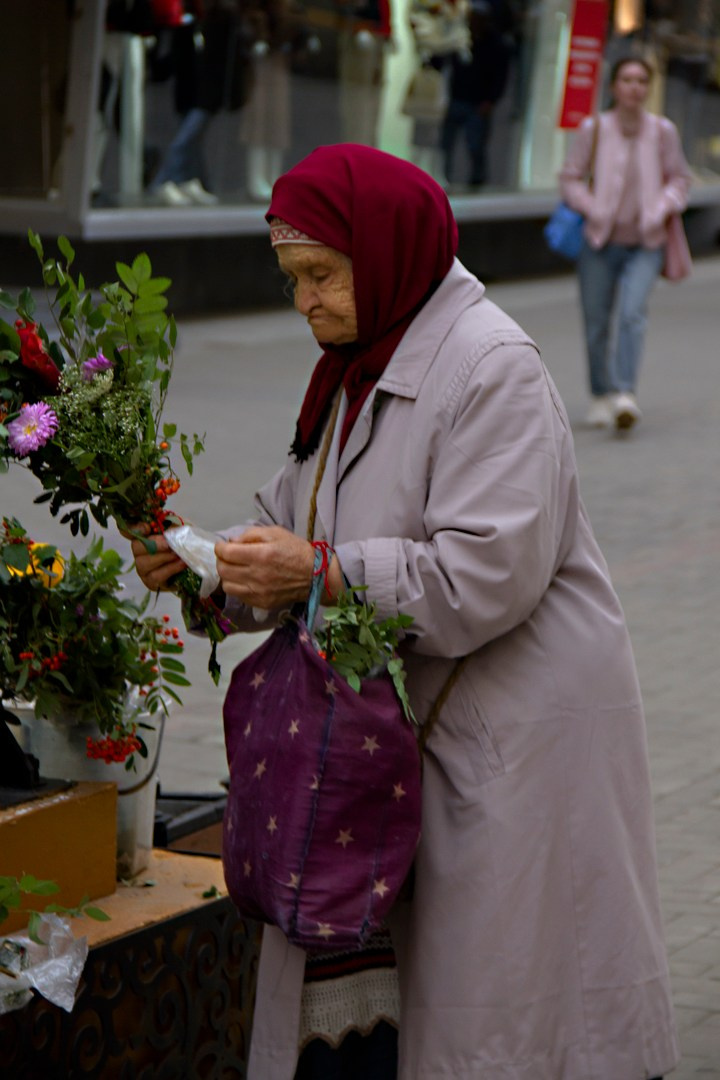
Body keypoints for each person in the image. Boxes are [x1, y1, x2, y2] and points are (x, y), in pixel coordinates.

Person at [131, 143, 679, 1079]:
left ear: (383, 252)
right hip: (402, 741)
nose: (302, 299)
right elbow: (291, 518)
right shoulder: (356, 362)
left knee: (498, 1027)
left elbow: (487, 575)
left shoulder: (491, 365)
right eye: (291, 277)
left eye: (318, 274)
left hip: (508, 745)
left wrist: (322, 574)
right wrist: (205, 568)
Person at [559, 55, 692, 431]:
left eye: (641, 81)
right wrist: (593, 207)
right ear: (615, 87)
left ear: (648, 88)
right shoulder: (594, 128)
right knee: (596, 320)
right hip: (599, 242)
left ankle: (624, 394)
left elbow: (680, 180)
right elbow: (570, 178)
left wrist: (662, 207)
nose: (635, 87)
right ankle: (601, 394)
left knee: (632, 313)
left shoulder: (662, 131)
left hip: (646, 242)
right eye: (627, 80)